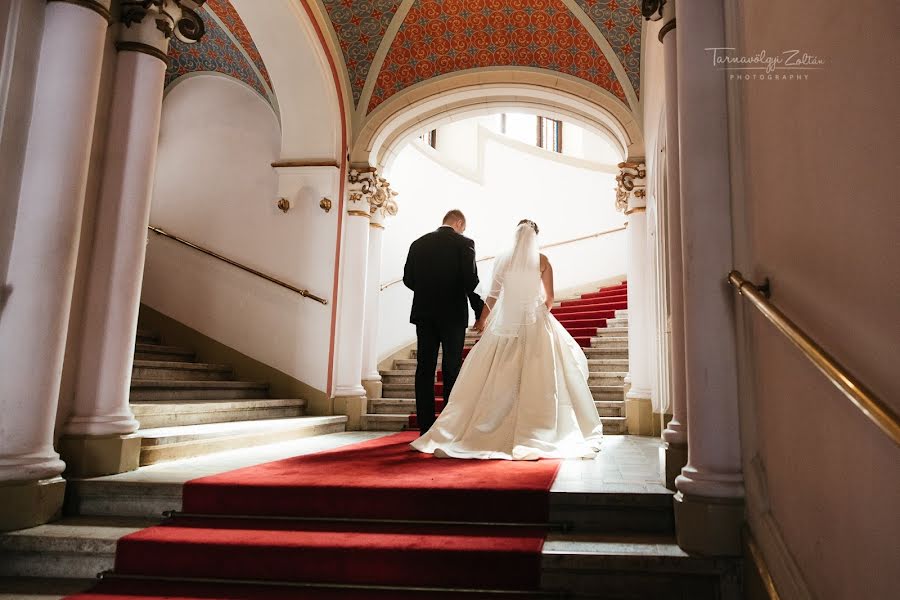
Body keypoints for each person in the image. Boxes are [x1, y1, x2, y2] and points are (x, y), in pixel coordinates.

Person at [411, 219, 603, 460]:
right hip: (534, 322)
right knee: (544, 373)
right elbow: (550, 299)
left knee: (491, 373)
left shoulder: (503, 260)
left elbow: (492, 297)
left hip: (506, 322)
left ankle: (466, 424)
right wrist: (539, 311)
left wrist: (481, 321)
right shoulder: (543, 261)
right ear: (535, 237)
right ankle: (539, 425)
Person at [403, 209, 485, 435]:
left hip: (424, 314)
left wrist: (427, 291)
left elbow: (408, 279)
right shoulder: (464, 243)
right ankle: (449, 427)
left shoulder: (418, 243)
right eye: (463, 227)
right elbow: (471, 280)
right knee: (451, 368)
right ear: (459, 223)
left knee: (424, 369)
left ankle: (425, 427)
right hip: (453, 315)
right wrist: (480, 312)